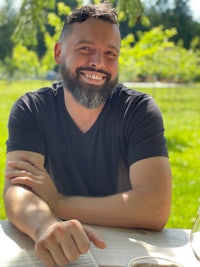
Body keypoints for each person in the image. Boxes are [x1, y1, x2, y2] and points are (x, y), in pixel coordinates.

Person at [3, 2, 172, 267]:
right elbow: (18, 190)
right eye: (85, 49)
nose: (98, 62)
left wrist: (57, 203)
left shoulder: (138, 110)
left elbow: (155, 208)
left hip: (127, 254)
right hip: (56, 250)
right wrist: (45, 226)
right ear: (59, 52)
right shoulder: (32, 109)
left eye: (110, 53)